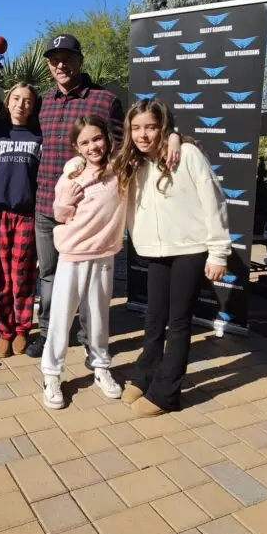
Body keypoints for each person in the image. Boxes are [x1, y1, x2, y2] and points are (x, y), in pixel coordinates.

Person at [28, 33, 182, 359]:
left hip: (91, 211)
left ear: (80, 60)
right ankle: (48, 333)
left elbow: (128, 144)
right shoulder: (42, 102)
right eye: (54, 59)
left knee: (88, 282)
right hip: (48, 204)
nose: (61, 64)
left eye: (67, 57)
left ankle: (89, 340)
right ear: (49, 65)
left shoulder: (104, 100)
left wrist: (172, 137)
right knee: (49, 275)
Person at [114, 98, 231, 416]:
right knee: (153, 320)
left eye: (151, 126)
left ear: (162, 127)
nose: (143, 134)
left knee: (178, 323)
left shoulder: (187, 155)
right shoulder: (132, 162)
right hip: (155, 252)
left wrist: (219, 253)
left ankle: (166, 394)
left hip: (190, 250)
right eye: (136, 128)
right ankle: (144, 375)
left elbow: (214, 202)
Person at [41, 115, 129, 409]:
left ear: (107, 137)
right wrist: (67, 194)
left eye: (97, 138)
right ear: (76, 147)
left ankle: (101, 366)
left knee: (99, 315)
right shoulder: (72, 176)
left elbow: (145, 147)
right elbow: (60, 214)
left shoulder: (121, 169)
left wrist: (174, 138)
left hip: (104, 255)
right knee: (62, 317)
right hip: (74, 255)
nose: (93, 146)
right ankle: (51, 374)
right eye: (85, 142)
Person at [0, 82, 42, 358]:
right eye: (16, 99)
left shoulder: (39, 134)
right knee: (0, 277)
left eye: (27, 100)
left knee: (22, 275)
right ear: (7, 102)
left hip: (26, 215)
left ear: (33, 106)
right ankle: (3, 331)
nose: (21, 104)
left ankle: (22, 329)